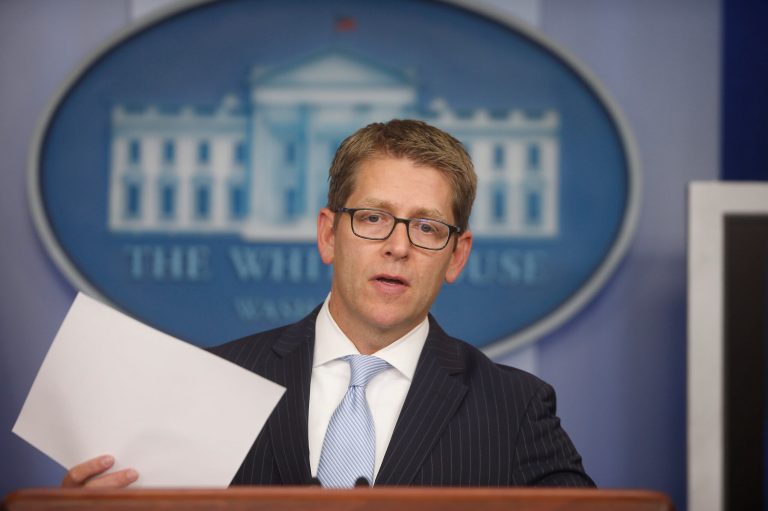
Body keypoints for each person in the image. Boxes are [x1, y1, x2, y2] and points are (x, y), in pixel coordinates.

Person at [62, 119, 594, 489]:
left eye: (427, 226)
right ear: (328, 234)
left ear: (457, 255)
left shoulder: (514, 408)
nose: (398, 245)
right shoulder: (218, 378)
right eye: (373, 217)